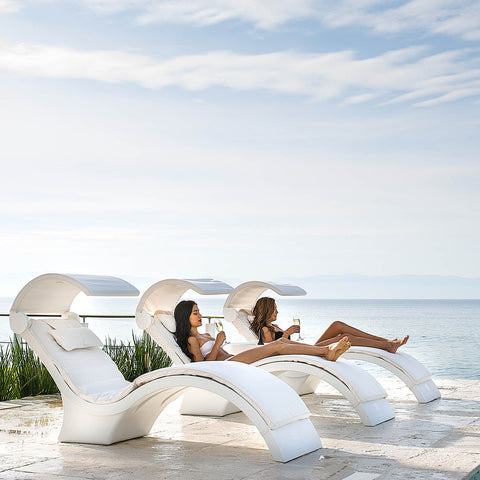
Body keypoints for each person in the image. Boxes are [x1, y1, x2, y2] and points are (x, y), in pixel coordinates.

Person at [174, 300, 351, 363]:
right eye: (195, 313)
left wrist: (218, 344)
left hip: (231, 359)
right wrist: (218, 344)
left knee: (282, 342)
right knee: (278, 345)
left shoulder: (204, 335)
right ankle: (325, 352)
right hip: (228, 364)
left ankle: (323, 352)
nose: (200, 316)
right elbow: (203, 366)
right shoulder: (192, 340)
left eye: (199, 312)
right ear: (185, 317)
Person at [250, 297, 409, 354]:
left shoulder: (273, 326)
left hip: (304, 348)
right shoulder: (263, 330)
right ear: (267, 311)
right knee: (345, 338)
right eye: (274, 310)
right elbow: (273, 349)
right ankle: (387, 346)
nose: (277, 313)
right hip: (305, 352)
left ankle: (386, 342)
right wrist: (287, 333)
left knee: (337, 325)